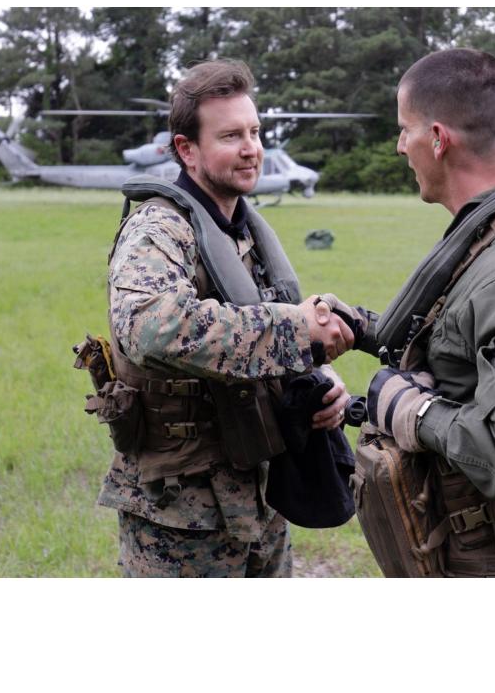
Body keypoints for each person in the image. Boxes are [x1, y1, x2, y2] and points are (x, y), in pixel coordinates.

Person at [331, 48, 495, 577]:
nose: (399, 145)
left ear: (437, 138)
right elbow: (470, 342)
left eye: (404, 129)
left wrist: (416, 413)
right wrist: (365, 329)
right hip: (489, 546)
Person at [96, 59, 354, 578]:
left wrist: (320, 382)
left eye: (255, 133)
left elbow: (270, 334)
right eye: (231, 135)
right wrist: (295, 331)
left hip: (262, 492)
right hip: (181, 511)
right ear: (185, 150)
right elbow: (150, 326)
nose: (251, 148)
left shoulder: (243, 231)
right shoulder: (159, 230)